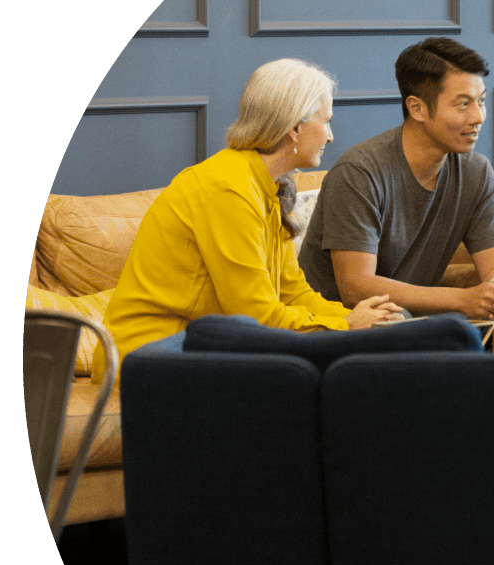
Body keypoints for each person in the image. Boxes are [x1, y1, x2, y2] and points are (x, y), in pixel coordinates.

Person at [103, 58, 403, 361]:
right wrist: (344, 326)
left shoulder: (268, 187)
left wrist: (364, 320)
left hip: (201, 348)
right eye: (325, 121)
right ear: (295, 128)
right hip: (151, 355)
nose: (330, 135)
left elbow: (292, 291)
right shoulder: (228, 188)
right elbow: (255, 315)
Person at [297, 37, 494, 346]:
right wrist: (462, 299)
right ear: (417, 108)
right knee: (412, 325)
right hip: (350, 326)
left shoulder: (476, 173)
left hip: (417, 321)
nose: (478, 116)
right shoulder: (360, 172)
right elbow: (355, 287)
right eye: (463, 104)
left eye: (481, 101)